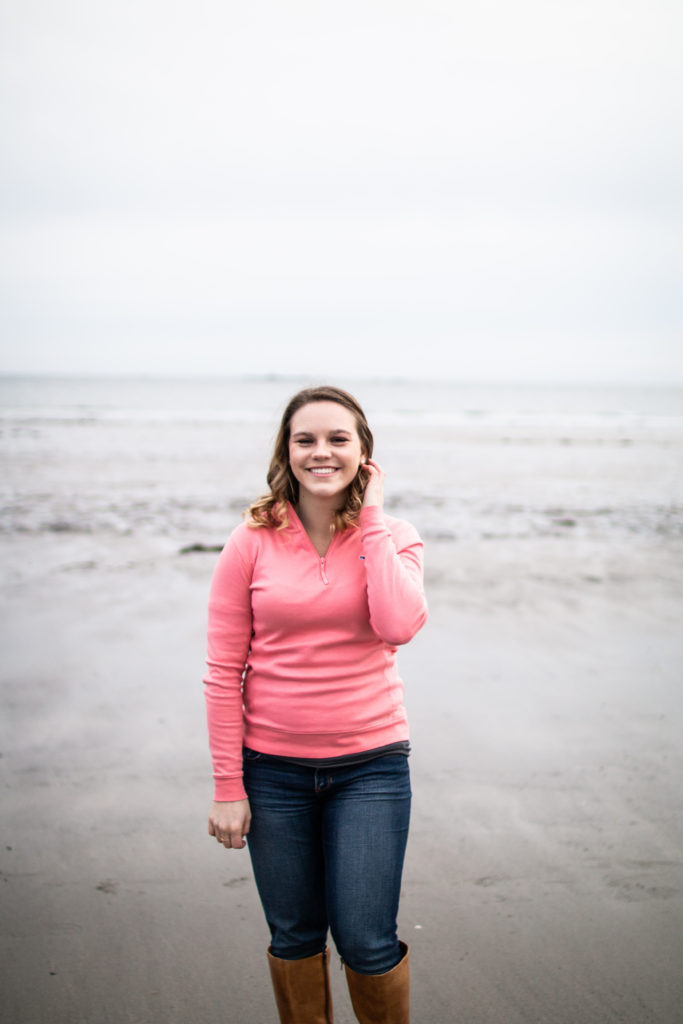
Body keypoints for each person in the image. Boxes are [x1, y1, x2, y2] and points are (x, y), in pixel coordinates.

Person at [203, 385, 428, 1024]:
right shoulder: (250, 540)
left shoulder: (396, 536)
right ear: (287, 450)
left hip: (372, 768)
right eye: (306, 439)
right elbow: (223, 673)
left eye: (338, 439)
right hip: (272, 774)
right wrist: (228, 785)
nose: (321, 452)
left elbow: (398, 624)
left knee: (366, 939)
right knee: (296, 937)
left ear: (364, 453)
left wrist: (374, 517)